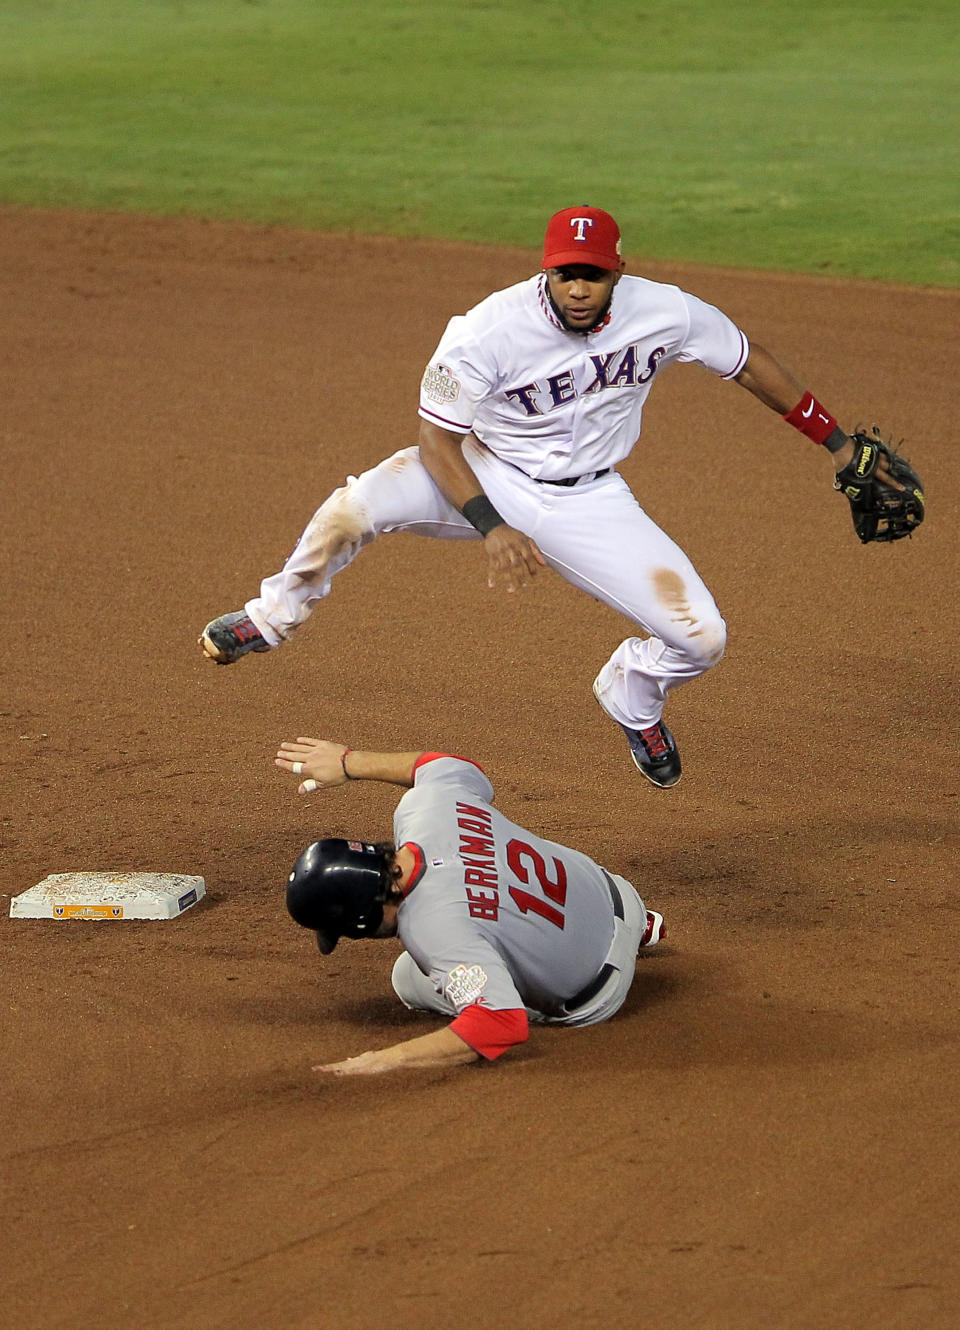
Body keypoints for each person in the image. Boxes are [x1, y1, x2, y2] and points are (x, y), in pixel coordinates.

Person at [201, 205, 901, 788]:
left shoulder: (667, 313)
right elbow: (437, 443)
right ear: (547, 269)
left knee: (703, 639)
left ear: (616, 273)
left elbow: (750, 363)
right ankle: (270, 618)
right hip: (480, 472)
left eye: (592, 276)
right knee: (351, 510)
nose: (577, 289)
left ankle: (632, 694)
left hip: (590, 502)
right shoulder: (486, 332)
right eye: (565, 274)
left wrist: (839, 445)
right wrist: (490, 524)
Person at [274, 737, 665, 1075]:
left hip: (600, 993)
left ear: (360, 917)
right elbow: (448, 767)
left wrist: (383, 1060)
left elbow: (501, 1024)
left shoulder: (433, 931)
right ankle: (642, 926)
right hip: (616, 894)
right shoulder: (423, 809)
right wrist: (348, 762)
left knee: (409, 977)